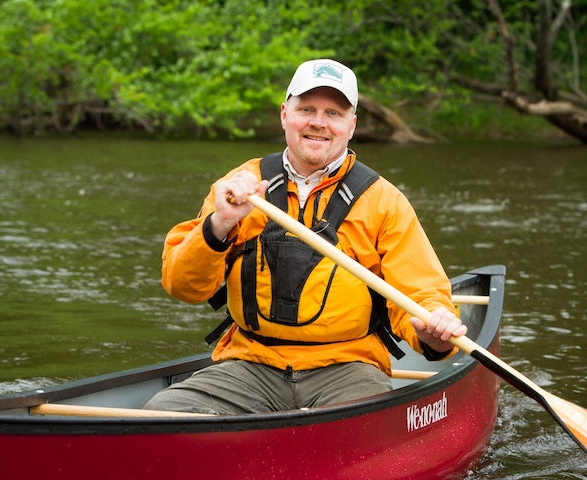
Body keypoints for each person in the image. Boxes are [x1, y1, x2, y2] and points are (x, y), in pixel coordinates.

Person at [144, 59, 467, 414]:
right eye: (306, 109)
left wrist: (433, 328)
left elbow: (422, 293)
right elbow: (182, 286)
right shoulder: (242, 186)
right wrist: (219, 225)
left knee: (361, 426)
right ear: (285, 115)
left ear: (351, 125)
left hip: (348, 369)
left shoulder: (383, 201)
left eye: (334, 112)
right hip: (250, 364)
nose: (318, 122)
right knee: (163, 412)